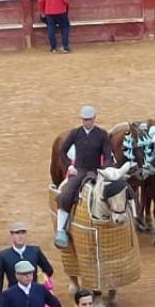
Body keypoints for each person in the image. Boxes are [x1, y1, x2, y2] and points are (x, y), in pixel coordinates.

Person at [54, 105, 115, 247]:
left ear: (94, 119)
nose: (87, 122)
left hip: (95, 171)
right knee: (66, 194)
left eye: (89, 119)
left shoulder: (102, 134)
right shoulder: (75, 133)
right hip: (79, 170)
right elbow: (62, 151)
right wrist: (70, 166)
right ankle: (60, 230)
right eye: (84, 120)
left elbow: (107, 155)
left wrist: (105, 168)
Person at [0, 221, 56, 307]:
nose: (20, 236)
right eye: (17, 233)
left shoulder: (35, 251)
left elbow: (48, 270)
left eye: (22, 233)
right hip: (14, 298)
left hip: (34, 296)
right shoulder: (3, 256)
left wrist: (41, 279)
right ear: (12, 235)